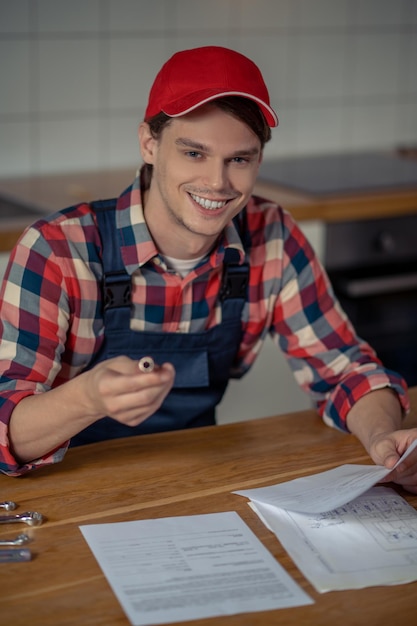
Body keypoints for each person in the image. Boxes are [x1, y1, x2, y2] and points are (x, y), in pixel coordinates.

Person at [0, 46, 416, 489]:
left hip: (202, 480)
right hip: (71, 489)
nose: (218, 183)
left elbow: (346, 370)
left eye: (239, 159)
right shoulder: (59, 248)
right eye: (194, 153)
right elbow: (7, 424)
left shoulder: (271, 234)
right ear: (149, 144)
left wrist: (386, 440)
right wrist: (87, 398)